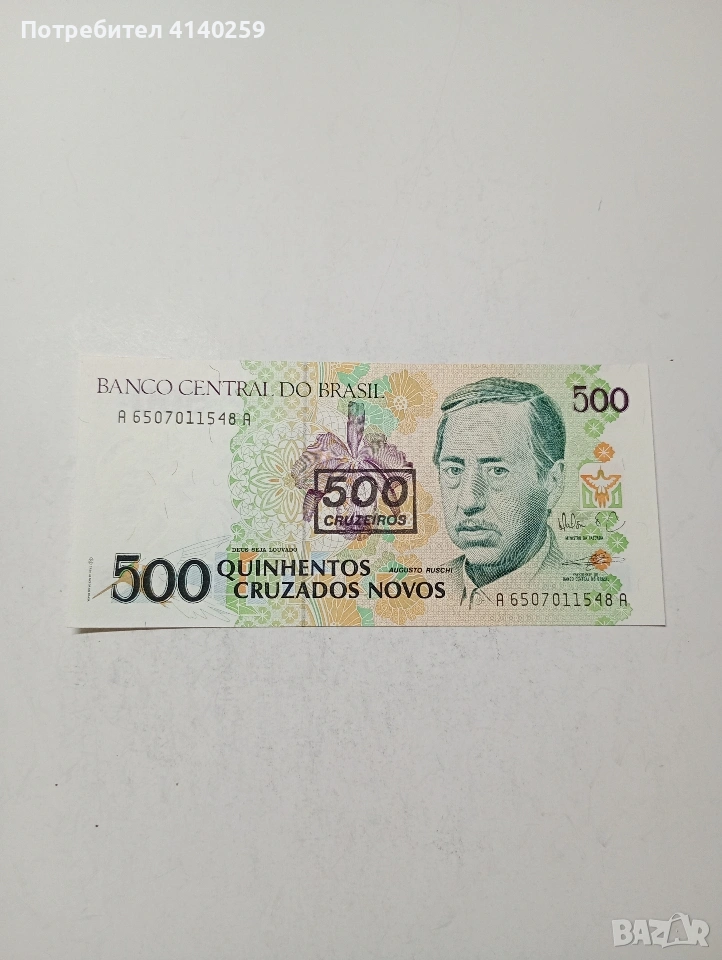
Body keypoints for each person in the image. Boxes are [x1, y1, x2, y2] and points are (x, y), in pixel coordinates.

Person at [433, 377, 566, 607]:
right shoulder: (426, 585)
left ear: (552, 483)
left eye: (497, 471)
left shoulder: (578, 585)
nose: (468, 501)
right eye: (454, 470)